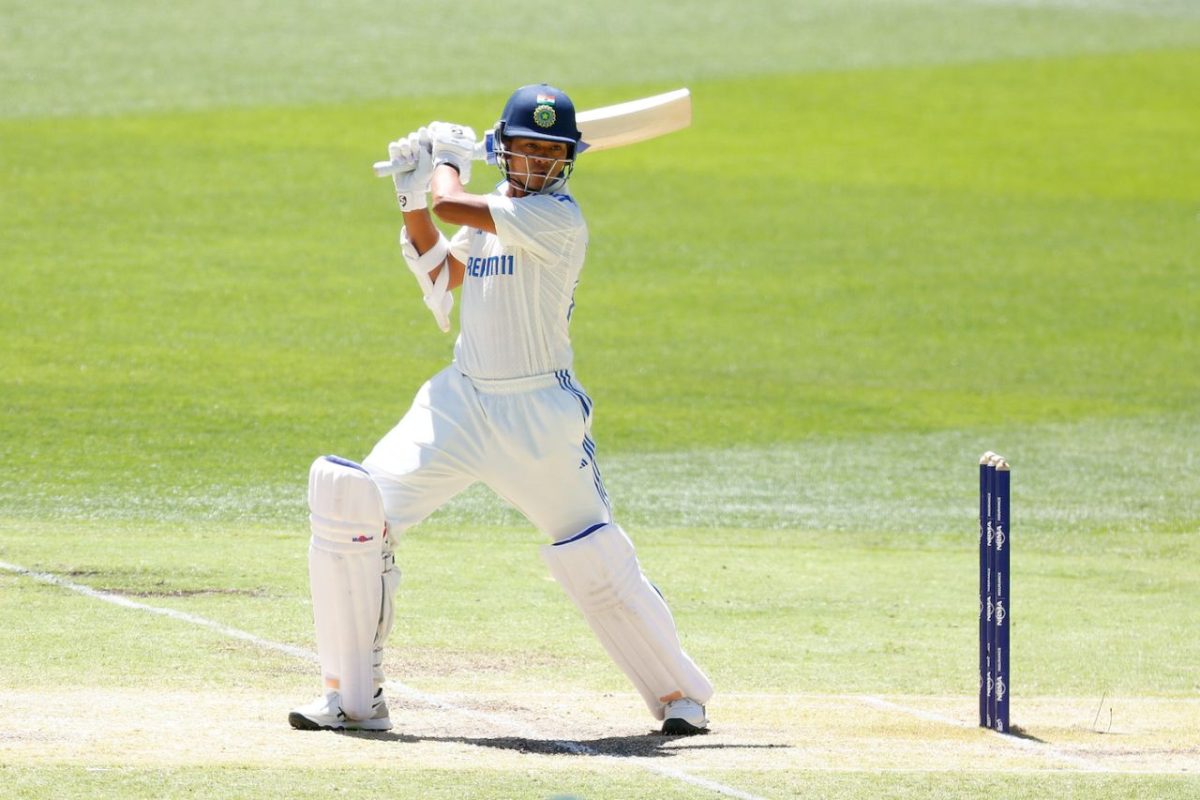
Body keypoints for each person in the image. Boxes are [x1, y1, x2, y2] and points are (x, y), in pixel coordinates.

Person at [288, 84, 712, 736]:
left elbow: (454, 198)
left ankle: (681, 695)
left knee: (592, 555)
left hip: (537, 416)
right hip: (461, 403)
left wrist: (446, 160)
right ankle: (353, 701)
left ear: (569, 160)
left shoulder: (558, 220)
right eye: (527, 151)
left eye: (551, 152)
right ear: (505, 152)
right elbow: (440, 272)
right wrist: (410, 195)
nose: (538, 164)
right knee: (351, 504)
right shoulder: (490, 219)